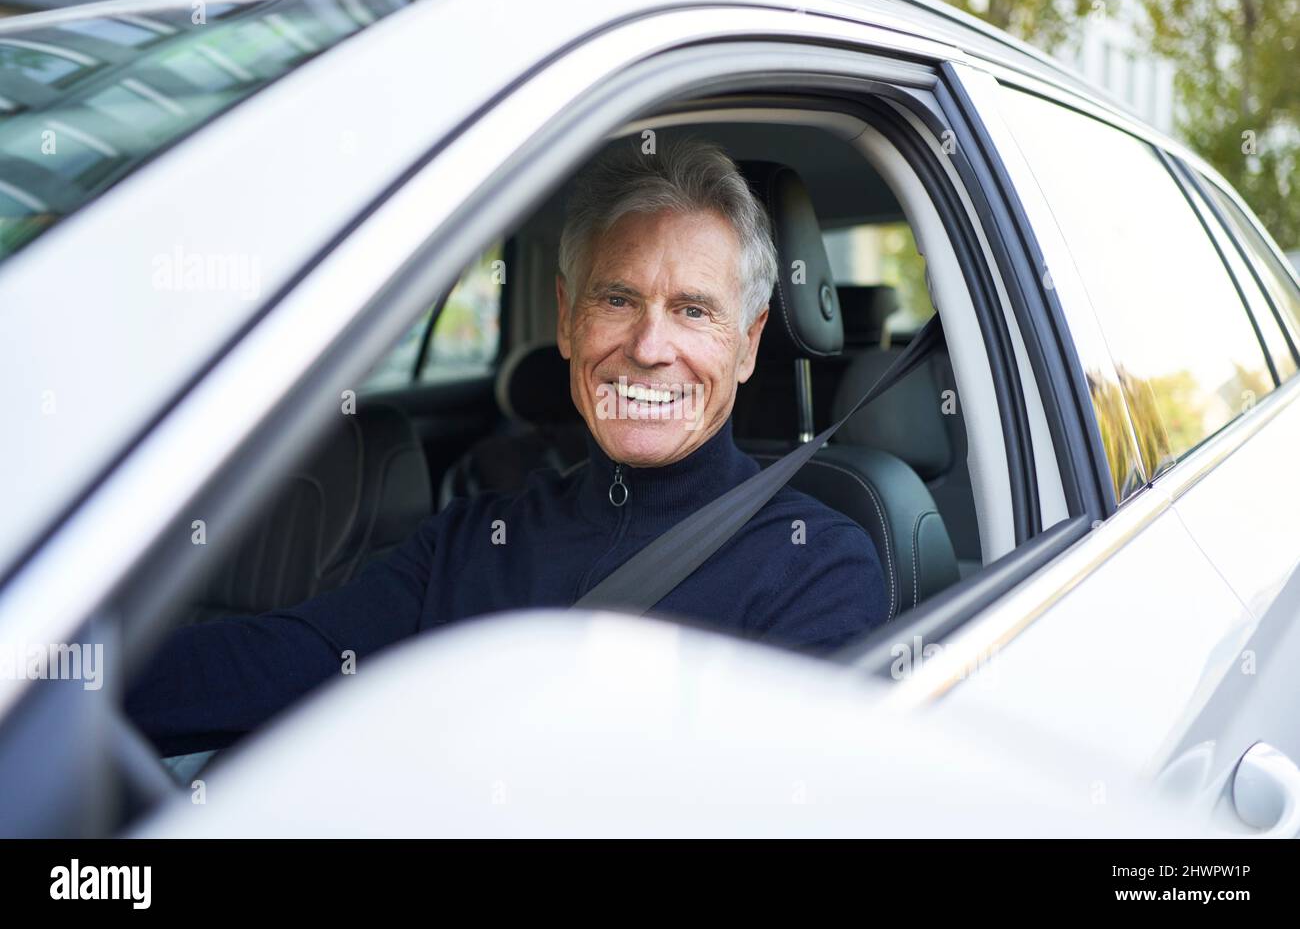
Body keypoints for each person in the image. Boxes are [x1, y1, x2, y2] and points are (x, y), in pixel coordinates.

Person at [126, 139, 889, 756]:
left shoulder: (818, 565)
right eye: (617, 298)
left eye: (693, 309)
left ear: (748, 344)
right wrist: (61, 684)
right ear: (566, 318)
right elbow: (290, 658)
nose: (650, 345)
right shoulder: (473, 538)